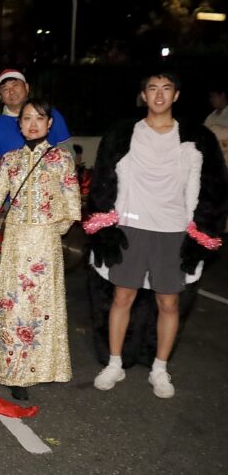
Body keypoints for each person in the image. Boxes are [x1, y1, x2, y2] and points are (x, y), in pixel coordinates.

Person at [88, 73, 227, 399]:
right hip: (130, 229)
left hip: (173, 231)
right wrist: (104, 228)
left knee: (169, 302)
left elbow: (214, 189)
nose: (159, 95)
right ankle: (114, 363)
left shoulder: (197, 138)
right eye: (153, 89)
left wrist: (201, 234)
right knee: (122, 297)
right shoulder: (124, 134)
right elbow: (103, 183)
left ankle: (160, 369)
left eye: (166, 89)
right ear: (144, 95)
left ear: (176, 95)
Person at [0, 98, 81, 400]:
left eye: (39, 118)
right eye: (27, 118)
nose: (33, 124)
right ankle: (12, 368)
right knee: (14, 303)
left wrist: (51, 231)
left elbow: (72, 204)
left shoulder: (61, 158)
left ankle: (39, 369)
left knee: (41, 304)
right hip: (15, 239)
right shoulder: (10, 159)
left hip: (45, 241)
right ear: (20, 124)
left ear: (49, 123)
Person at [0, 69, 72, 193]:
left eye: (15, 85)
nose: (11, 91)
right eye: (5, 89)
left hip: (50, 196)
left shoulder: (51, 115)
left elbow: (68, 155)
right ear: (0, 97)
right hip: (12, 199)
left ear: (27, 88)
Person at [204, 81, 228, 165]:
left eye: (213, 96)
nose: (211, 100)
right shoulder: (210, 117)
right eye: (210, 97)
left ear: (222, 95)